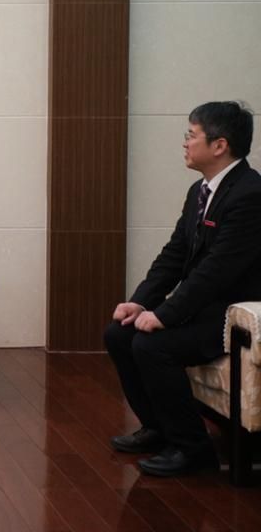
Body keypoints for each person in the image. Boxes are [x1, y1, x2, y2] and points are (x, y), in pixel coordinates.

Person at [104, 101, 261, 477]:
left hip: (234, 315)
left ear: (219, 145)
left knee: (153, 346)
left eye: (191, 135)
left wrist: (164, 315)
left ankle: (194, 450)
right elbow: (175, 255)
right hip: (204, 306)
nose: (185, 143)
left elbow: (216, 272)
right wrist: (140, 302)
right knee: (119, 333)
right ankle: (158, 429)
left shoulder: (250, 194)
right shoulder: (200, 191)